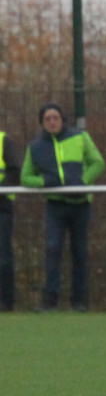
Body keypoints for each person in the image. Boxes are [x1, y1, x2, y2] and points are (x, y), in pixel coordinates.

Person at [20, 103, 106, 312]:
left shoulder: (80, 137)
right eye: (47, 118)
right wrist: (44, 182)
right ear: (42, 123)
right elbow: (25, 177)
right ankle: (50, 301)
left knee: (79, 251)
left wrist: (82, 182)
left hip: (81, 204)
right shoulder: (35, 147)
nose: (52, 121)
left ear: (62, 119)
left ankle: (80, 301)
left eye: (55, 117)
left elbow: (98, 163)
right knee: (52, 249)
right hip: (55, 206)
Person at [0, 126, 20, 311]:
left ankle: (5, 302)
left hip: (1, 207)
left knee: (3, 257)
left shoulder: (3, 141)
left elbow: (15, 172)